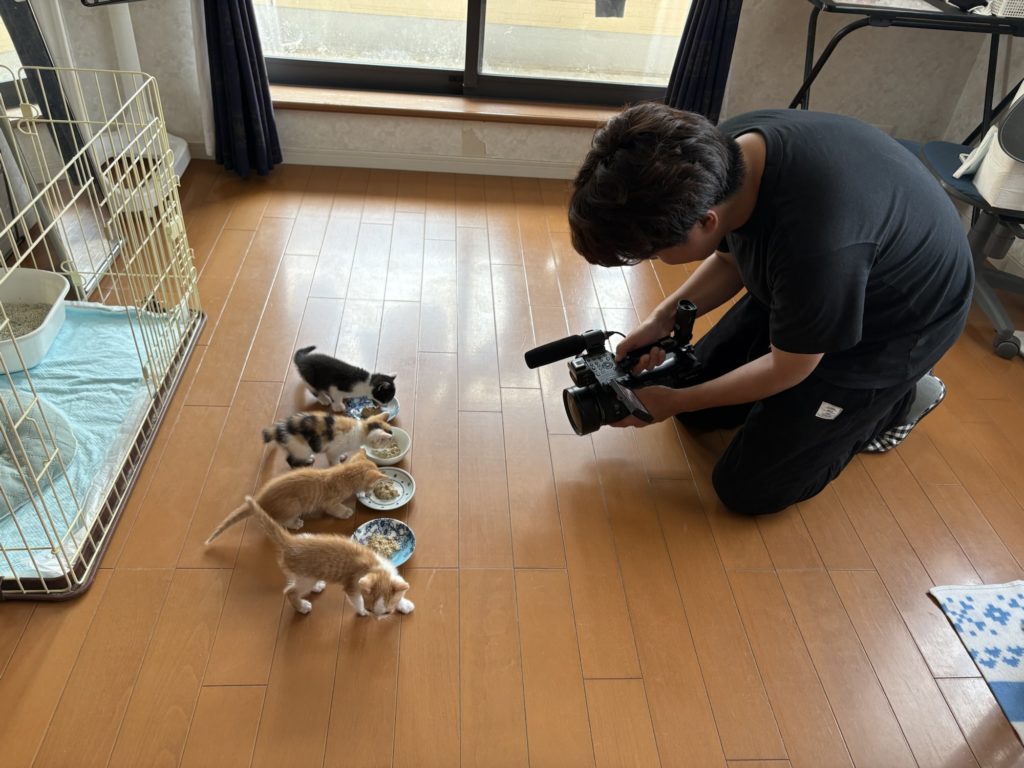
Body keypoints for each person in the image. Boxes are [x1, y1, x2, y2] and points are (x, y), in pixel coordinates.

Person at [568, 103, 974, 516]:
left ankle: (900, 399)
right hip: (815, 287)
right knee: (693, 396)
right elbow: (730, 260)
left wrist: (675, 402)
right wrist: (660, 322)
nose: (656, 260)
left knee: (748, 488)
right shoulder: (716, 155)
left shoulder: (816, 247)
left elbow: (788, 368)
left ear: (705, 221)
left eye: (655, 253)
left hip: (895, 326)